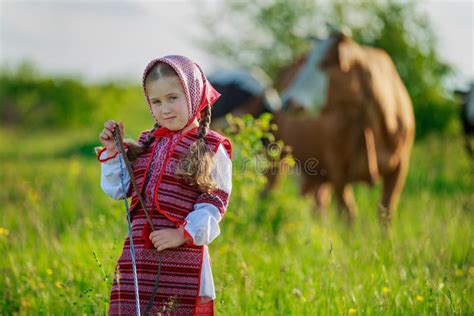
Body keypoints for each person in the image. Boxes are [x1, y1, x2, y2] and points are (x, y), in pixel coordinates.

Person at [97, 55, 232, 315]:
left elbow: (213, 203)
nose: (165, 109)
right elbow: (119, 190)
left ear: (194, 95)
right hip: (137, 258)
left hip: (183, 258)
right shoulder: (147, 142)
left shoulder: (212, 147)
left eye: (173, 98)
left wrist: (181, 234)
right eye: (156, 102)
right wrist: (115, 152)